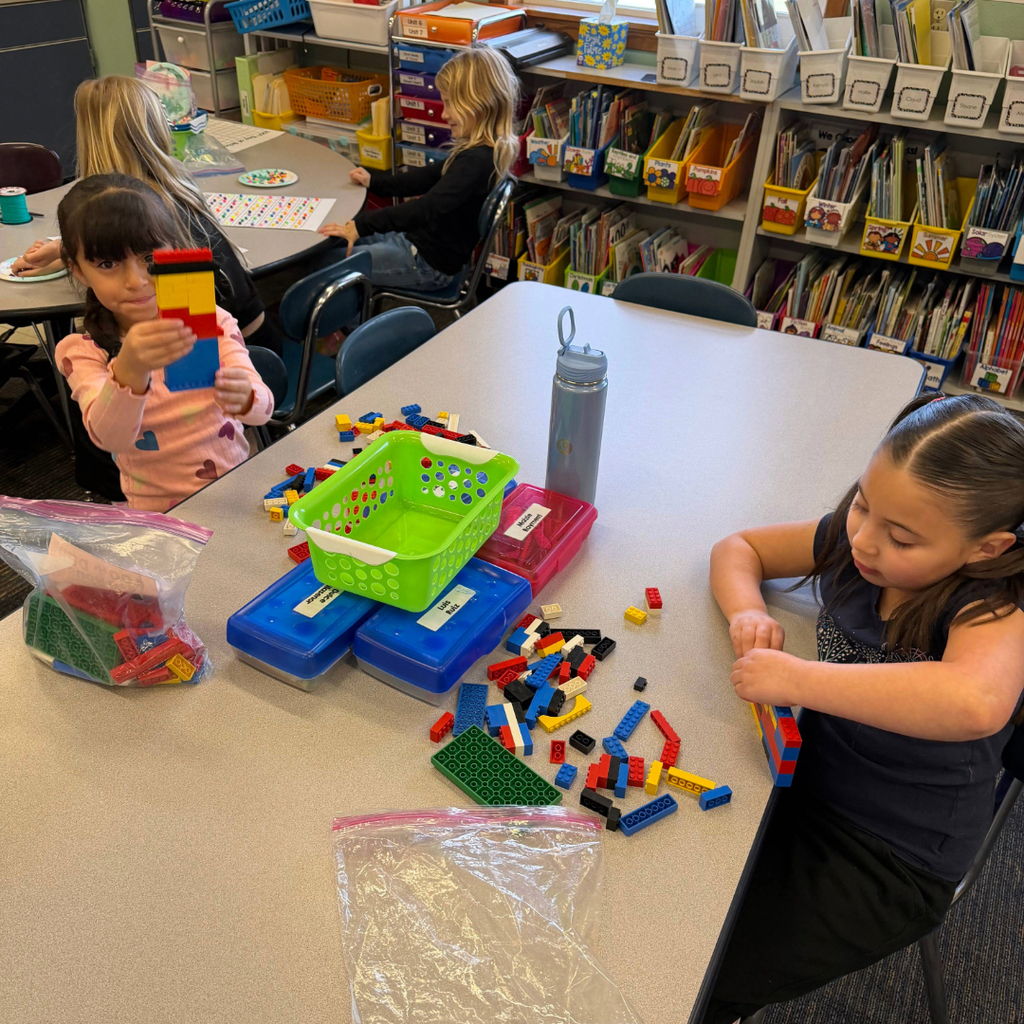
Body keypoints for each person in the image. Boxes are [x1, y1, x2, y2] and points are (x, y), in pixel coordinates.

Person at [704, 393, 1024, 1024]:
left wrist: (801, 679)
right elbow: (739, 547)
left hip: (890, 853)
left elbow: (977, 701)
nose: (864, 541)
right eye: (861, 503)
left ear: (984, 549)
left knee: (707, 974)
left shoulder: (993, 603)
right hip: (802, 781)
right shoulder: (858, 541)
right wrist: (747, 611)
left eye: (901, 537)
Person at [13, 76, 280, 355]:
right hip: (252, 336)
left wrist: (71, 256)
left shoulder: (146, 209)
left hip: (232, 353)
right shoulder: (170, 185)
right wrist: (63, 251)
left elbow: (191, 345)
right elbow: (129, 248)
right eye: (107, 262)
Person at [55, 174, 274, 512]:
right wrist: (130, 368)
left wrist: (246, 396)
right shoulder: (83, 351)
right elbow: (110, 438)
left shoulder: (211, 321)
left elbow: (264, 409)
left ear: (173, 249)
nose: (136, 281)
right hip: (158, 515)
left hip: (236, 491)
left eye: (149, 257)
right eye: (108, 264)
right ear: (79, 271)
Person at [318, 47, 518, 289]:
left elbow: (425, 209)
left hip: (427, 264)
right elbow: (423, 178)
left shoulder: (476, 162)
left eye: (449, 104)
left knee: (328, 264)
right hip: (414, 244)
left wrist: (362, 225)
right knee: (332, 242)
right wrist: (375, 182)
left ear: (479, 104)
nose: (444, 114)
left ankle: (350, 313)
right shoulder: (479, 151)